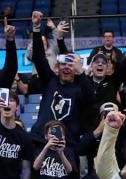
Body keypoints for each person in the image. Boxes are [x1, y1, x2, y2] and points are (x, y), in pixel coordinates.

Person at [28, 12, 95, 145]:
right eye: (63, 64)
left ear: (76, 68)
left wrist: (80, 71)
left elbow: (90, 98)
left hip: (67, 144)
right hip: (41, 140)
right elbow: (39, 58)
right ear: (57, 67)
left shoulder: (80, 88)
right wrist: (36, 28)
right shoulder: (50, 81)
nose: (66, 67)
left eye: (70, 65)